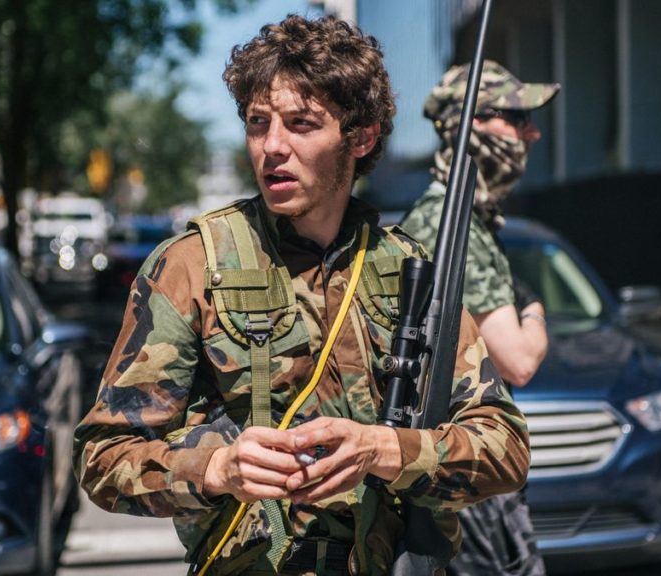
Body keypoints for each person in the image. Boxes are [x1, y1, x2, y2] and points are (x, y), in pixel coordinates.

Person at [74, 16, 530, 576]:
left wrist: (387, 451)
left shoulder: (410, 270)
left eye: (301, 124)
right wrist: (215, 469)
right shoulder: (192, 265)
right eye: (258, 123)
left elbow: (506, 447)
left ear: (360, 137)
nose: (272, 147)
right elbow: (102, 458)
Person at [400, 61, 561, 576]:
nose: (529, 132)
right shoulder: (453, 222)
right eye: (515, 117)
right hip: (462, 469)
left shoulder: (453, 214)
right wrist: (534, 307)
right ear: (472, 124)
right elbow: (517, 360)